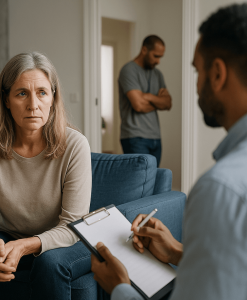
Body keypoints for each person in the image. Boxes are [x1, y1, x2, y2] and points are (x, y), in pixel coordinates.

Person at [92, 3, 247, 300]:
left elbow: (166, 102)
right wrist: (178, 250)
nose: (197, 83)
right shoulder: (129, 71)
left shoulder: (221, 189)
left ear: (217, 74)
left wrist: (120, 288)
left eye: (196, 71)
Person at [0, 52, 92, 300]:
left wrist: (25, 246)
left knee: (49, 263)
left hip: (68, 241)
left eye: (42, 92)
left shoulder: (75, 145)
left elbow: (73, 224)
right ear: (6, 99)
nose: (33, 105)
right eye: (21, 94)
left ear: (53, 97)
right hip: (10, 235)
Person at [119, 35, 172, 167]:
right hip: (134, 137)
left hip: (155, 137)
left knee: (152, 181)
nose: (158, 61)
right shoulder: (128, 70)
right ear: (144, 50)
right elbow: (138, 105)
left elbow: (168, 103)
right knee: (139, 182)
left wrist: (148, 96)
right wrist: (158, 101)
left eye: (161, 57)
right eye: (156, 56)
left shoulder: (157, 74)